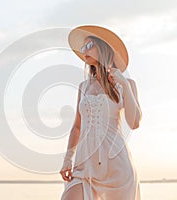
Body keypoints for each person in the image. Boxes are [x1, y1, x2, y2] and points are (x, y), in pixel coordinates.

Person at [59, 25, 142, 200]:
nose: (84, 51)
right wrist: (67, 159)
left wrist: (125, 86)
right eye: (83, 48)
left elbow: (134, 123)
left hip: (117, 166)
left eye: (90, 46)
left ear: (105, 50)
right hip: (84, 165)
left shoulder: (126, 84)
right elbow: (76, 127)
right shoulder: (83, 87)